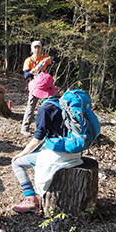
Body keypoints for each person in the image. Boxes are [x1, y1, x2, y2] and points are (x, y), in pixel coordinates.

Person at [11, 74, 83, 213]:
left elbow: (37, 139)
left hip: (58, 156)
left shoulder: (45, 109)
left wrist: (21, 153)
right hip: (73, 151)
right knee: (37, 155)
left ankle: (30, 198)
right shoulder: (62, 102)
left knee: (17, 162)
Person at [21, 41, 59, 136]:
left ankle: (49, 126)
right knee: (31, 105)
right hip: (35, 85)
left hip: (46, 85)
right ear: (31, 49)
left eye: (39, 47)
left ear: (41, 49)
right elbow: (26, 75)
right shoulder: (28, 60)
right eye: (35, 47)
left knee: (50, 104)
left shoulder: (44, 58)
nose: (37, 50)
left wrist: (48, 59)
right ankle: (25, 127)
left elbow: (58, 59)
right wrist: (34, 70)